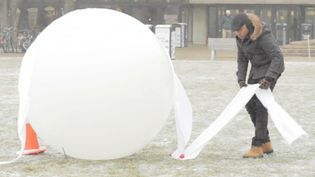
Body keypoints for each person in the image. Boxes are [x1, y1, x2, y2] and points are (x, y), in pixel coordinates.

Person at [231, 13, 285, 158]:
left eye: (239, 30)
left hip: (270, 70)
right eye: (234, 31)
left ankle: (257, 146)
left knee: (261, 105)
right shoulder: (240, 38)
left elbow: (277, 57)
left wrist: (269, 78)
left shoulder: (263, 35)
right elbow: (242, 59)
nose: (237, 33)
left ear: (246, 26)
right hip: (256, 72)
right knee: (249, 104)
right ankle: (266, 142)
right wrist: (241, 78)